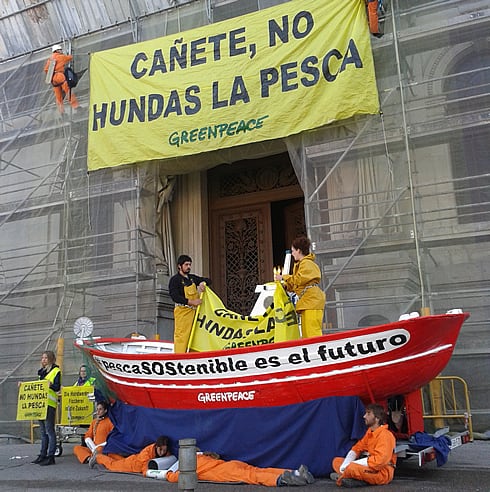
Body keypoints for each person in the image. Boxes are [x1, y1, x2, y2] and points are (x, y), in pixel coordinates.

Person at [330, 403, 397, 488]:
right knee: (336, 461)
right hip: (370, 467)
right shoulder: (370, 432)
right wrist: (345, 464)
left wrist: (352, 465)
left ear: (377, 419)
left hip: (382, 472)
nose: (364, 416)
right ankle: (350, 476)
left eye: (368, 414)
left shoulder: (385, 435)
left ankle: (347, 477)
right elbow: (357, 448)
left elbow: (379, 462)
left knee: (352, 468)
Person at [163, 451, 315, 487]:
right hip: (230, 464)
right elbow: (215, 456)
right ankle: (296, 472)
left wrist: (169, 474)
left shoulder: (190, 468)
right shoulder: (203, 456)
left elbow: (175, 478)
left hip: (225, 472)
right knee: (258, 470)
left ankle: (280, 479)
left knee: (252, 476)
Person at [274, 236, 325, 338]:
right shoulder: (302, 264)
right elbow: (297, 283)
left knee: (312, 334)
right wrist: (286, 286)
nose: (292, 254)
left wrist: (283, 277)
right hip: (308, 302)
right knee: (307, 335)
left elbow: (299, 279)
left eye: (293, 251)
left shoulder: (307, 263)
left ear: (299, 250)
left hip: (312, 302)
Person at [168, 254, 211, 353]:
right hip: (182, 313)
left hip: (194, 313)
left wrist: (202, 283)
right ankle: (180, 358)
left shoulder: (192, 278)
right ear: (179, 266)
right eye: (186, 264)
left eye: (190, 264)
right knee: (182, 337)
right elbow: (174, 296)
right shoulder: (175, 280)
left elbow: (208, 280)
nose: (189, 267)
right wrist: (191, 302)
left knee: (195, 335)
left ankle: (194, 356)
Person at [31, 350, 61, 466]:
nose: (43, 360)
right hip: (40, 404)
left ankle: (50, 456)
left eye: (45, 358)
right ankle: (43, 454)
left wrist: (51, 385)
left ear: (51, 359)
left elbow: (57, 387)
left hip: (49, 405)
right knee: (43, 431)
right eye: (42, 358)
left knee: (49, 431)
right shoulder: (41, 373)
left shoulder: (56, 371)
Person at [91, 435, 174, 475]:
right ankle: (98, 457)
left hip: (134, 460)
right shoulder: (147, 452)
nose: (162, 452)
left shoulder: (166, 452)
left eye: (164, 450)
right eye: (160, 450)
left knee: (119, 461)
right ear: (156, 446)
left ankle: (109, 454)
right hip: (132, 465)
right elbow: (144, 469)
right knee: (112, 466)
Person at [44, 44, 79, 114]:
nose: (61, 51)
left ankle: (61, 112)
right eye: (60, 50)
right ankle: (76, 106)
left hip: (53, 79)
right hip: (60, 76)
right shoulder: (60, 56)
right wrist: (67, 54)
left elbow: (46, 69)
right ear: (57, 50)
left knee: (58, 97)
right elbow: (69, 58)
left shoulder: (50, 59)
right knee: (68, 91)